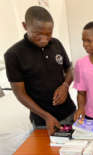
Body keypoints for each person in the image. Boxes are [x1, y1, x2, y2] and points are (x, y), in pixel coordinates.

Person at [4, 6, 76, 135]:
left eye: (48, 34)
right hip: (42, 121)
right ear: (25, 26)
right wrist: (46, 116)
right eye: (38, 34)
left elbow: (69, 69)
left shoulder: (56, 44)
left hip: (69, 111)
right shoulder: (13, 54)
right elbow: (20, 94)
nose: (44, 39)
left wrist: (65, 85)